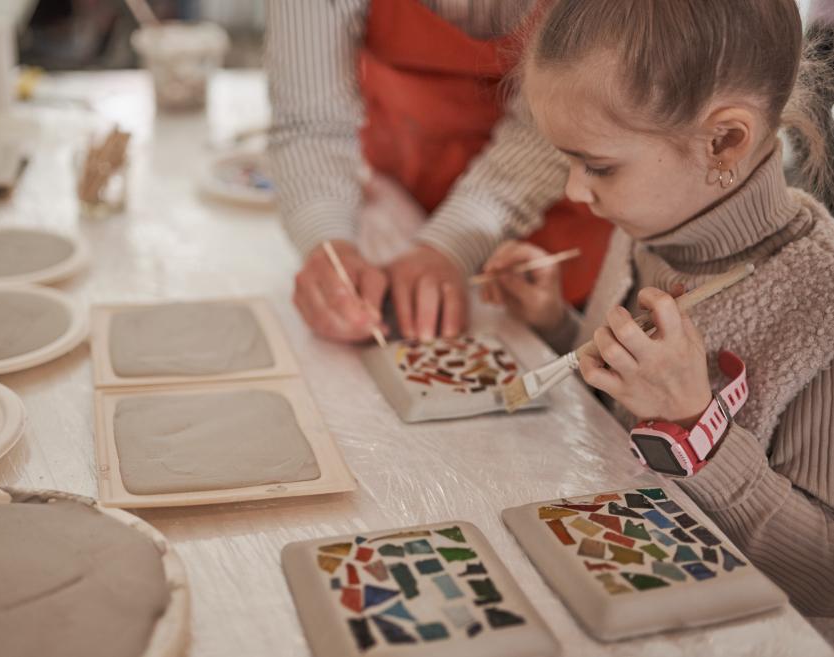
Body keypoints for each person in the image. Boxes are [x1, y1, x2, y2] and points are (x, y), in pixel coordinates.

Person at [482, 0, 834, 630]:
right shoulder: (657, 220)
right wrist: (557, 325)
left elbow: (824, 578)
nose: (575, 191)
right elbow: (618, 417)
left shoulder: (820, 304)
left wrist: (697, 428)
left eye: (598, 166)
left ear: (722, 142)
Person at [265, 0, 613, 344]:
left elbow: (551, 130)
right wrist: (328, 243)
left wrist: (449, 244)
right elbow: (308, 124)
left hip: (557, 239)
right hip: (402, 210)